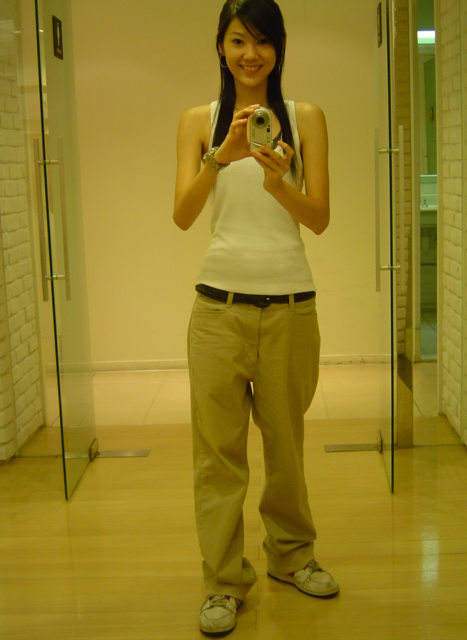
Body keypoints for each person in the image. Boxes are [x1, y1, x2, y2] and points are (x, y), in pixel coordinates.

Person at [173, 0, 338, 634]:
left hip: (292, 307)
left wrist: (277, 182)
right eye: (239, 40)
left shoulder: (305, 117)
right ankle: (223, 581)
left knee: (287, 448)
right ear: (220, 46)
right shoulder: (198, 122)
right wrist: (223, 154)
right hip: (217, 310)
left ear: (278, 49)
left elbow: (319, 219)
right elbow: (183, 214)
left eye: (263, 41)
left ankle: (292, 557)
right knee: (217, 457)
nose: (251, 54)